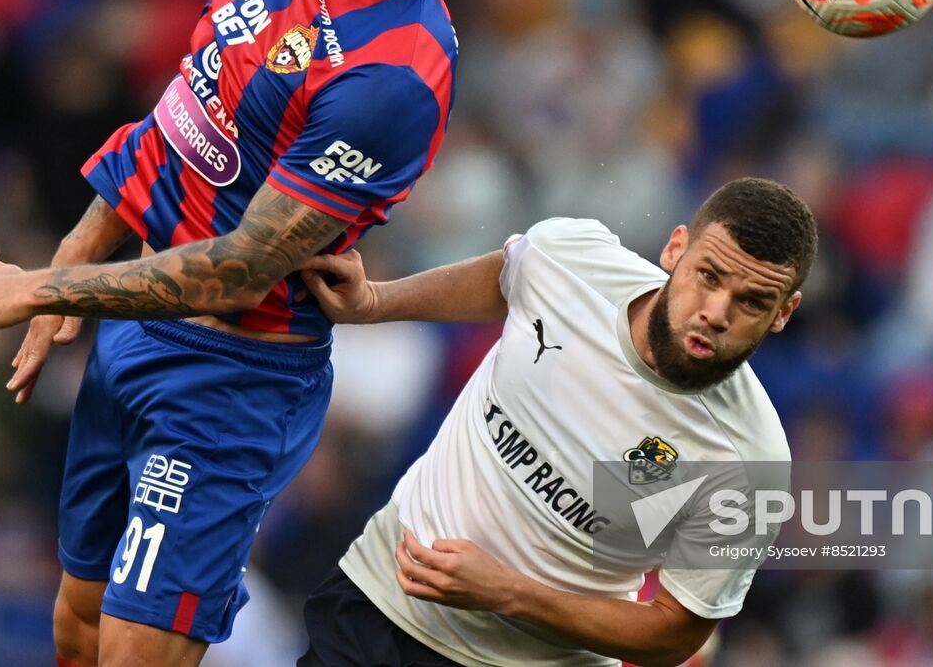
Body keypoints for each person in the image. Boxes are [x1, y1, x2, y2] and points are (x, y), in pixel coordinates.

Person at [0, 0, 507, 667]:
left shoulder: (392, 72)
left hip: (231, 385)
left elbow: (242, 265)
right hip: (132, 338)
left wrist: (47, 284)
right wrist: (75, 268)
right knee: (75, 630)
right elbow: (184, 113)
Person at [296, 177, 817, 666]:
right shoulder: (571, 260)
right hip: (377, 601)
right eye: (708, 276)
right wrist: (374, 301)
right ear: (676, 249)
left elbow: (676, 632)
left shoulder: (751, 460)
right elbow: (506, 277)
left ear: (784, 312)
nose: (717, 312)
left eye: (752, 301)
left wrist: (510, 593)